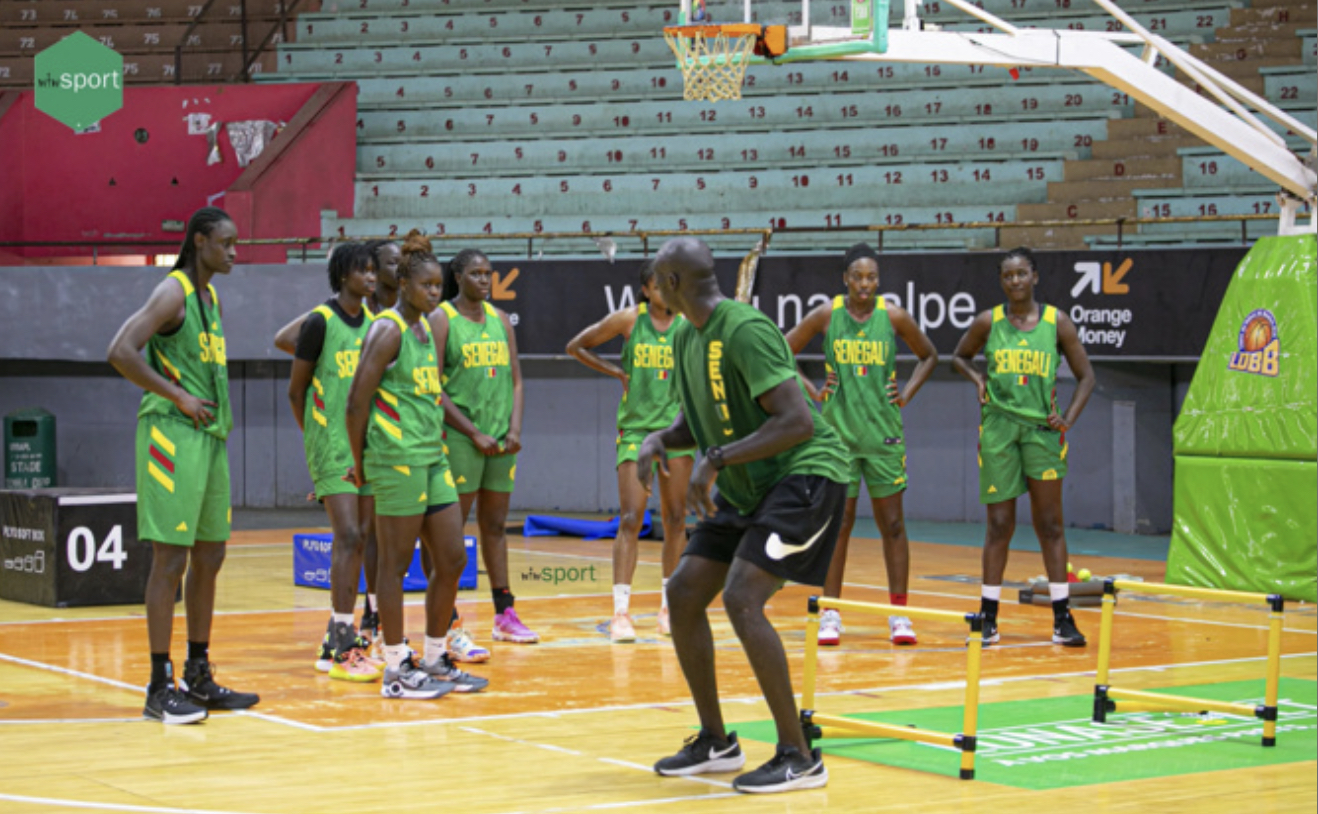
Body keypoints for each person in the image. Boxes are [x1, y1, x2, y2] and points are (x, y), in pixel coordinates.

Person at [639, 237, 851, 793]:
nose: (652, 283)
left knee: (741, 595)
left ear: (673, 283)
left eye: (657, 275)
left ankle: (799, 756)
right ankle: (716, 740)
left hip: (806, 474)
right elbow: (697, 422)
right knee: (684, 592)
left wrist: (715, 460)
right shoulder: (687, 335)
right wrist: (660, 438)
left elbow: (797, 421)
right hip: (747, 484)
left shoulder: (746, 329)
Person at [106, 207, 259, 724]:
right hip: (172, 435)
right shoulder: (173, 291)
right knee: (169, 562)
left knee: (211, 555)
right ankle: (157, 684)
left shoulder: (209, 296)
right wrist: (177, 396)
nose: (235, 252)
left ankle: (198, 673)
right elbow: (121, 350)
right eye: (227, 243)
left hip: (209, 437)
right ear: (200, 242)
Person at [345, 231, 489, 698]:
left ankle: (433, 657)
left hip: (432, 456)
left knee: (452, 557)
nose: (435, 293)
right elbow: (355, 402)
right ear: (404, 284)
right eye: (426, 286)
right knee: (394, 564)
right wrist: (357, 462)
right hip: (395, 459)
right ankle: (394, 668)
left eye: (438, 286)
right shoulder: (387, 329)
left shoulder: (429, 328)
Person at [784, 243, 937, 647]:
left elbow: (929, 355)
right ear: (845, 279)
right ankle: (831, 612)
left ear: (878, 280)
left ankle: (900, 615)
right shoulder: (826, 315)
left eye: (871, 277)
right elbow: (782, 350)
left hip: (883, 436)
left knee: (893, 525)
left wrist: (906, 393)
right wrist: (812, 390)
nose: (865, 284)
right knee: (838, 526)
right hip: (838, 439)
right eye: (858, 276)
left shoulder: (895, 317)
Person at [951, 246, 1095, 647]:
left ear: (1035, 276)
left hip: (1041, 433)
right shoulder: (989, 321)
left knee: (1050, 524)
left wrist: (1068, 418)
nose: (1015, 281)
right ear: (1002, 281)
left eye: (1021, 273)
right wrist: (978, 380)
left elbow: (1086, 377)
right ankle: (989, 619)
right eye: (1007, 275)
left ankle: (1062, 619)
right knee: (999, 525)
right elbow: (959, 357)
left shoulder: (1056, 322)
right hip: (998, 429)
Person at [276, 239, 401, 642]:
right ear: (344, 274)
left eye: (373, 270)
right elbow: (296, 391)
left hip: (368, 445)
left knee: (366, 535)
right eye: (363, 270)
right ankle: (339, 634)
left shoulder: (374, 325)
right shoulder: (319, 322)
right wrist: (315, 438)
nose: (371, 277)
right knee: (347, 534)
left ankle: (367, 621)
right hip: (331, 444)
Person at [566, 260, 694, 642]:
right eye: (659, 286)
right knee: (630, 518)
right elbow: (576, 346)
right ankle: (621, 613)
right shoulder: (627, 320)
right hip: (636, 430)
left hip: (676, 433)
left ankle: (669, 607)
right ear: (645, 289)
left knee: (675, 519)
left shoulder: (689, 325)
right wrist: (616, 373)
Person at [431, 248, 534, 659]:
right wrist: (472, 432)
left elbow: (517, 381)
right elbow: (432, 386)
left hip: (500, 441)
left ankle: (504, 612)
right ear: (457, 276)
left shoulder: (500, 320)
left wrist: (514, 428)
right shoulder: (443, 319)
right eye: (475, 273)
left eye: (488, 273)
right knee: (450, 534)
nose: (484, 280)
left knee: (495, 526)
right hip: (461, 439)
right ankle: (449, 621)